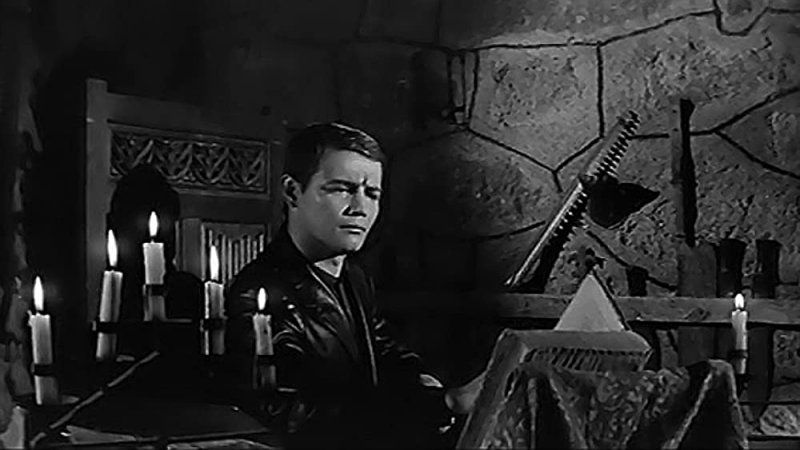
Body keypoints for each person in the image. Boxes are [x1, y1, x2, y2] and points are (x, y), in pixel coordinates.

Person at [225, 123, 466, 449]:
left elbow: (382, 349)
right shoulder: (259, 294)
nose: (360, 208)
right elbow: (291, 412)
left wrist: (419, 379)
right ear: (293, 193)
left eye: (372, 194)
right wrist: (442, 404)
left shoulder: (355, 277)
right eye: (342, 189)